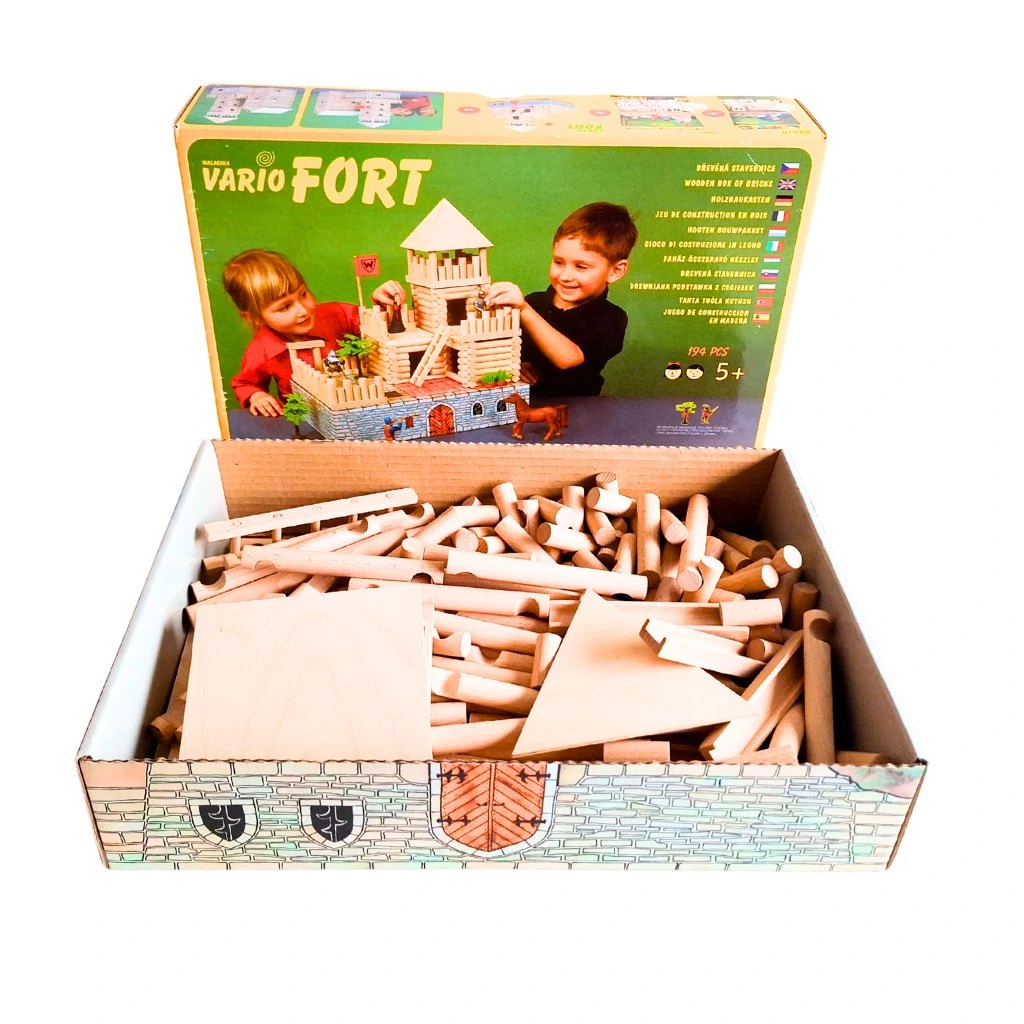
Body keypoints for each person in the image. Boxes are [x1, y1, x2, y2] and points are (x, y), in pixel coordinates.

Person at [223, 249, 404, 416]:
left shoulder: (337, 314)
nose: (302, 310)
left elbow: (376, 327)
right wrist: (256, 396)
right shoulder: (261, 349)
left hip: (359, 405)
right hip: (306, 419)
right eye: (285, 307)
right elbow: (244, 383)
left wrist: (382, 304)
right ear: (254, 317)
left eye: (303, 294)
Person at [485, 202, 637, 397]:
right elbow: (504, 352)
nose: (565, 276)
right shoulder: (535, 302)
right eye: (558, 262)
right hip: (525, 403)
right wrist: (513, 367)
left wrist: (524, 310)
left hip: (579, 407)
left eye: (581, 267)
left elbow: (568, 359)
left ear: (615, 271)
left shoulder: (611, 318)